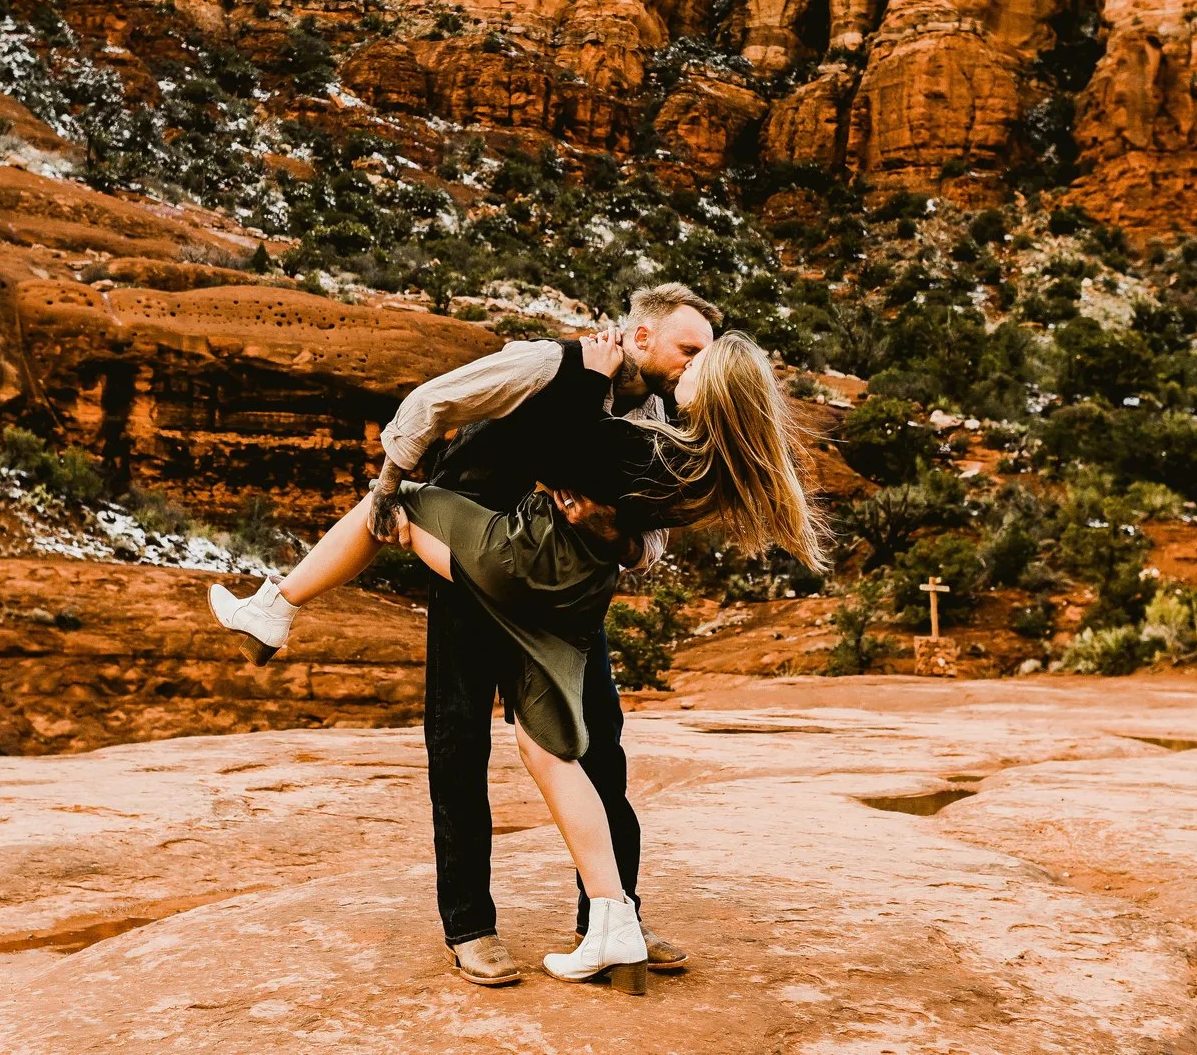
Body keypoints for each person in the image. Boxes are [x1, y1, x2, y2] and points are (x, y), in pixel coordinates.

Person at [211, 326, 824, 993]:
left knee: (398, 512)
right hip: (564, 585)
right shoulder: (702, 456)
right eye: (688, 348)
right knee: (540, 747)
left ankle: (279, 601)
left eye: (701, 360)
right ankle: (570, 918)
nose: (690, 366)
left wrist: (585, 377)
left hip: (521, 556)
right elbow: (446, 407)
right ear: (645, 331)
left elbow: (563, 448)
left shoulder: (640, 432)